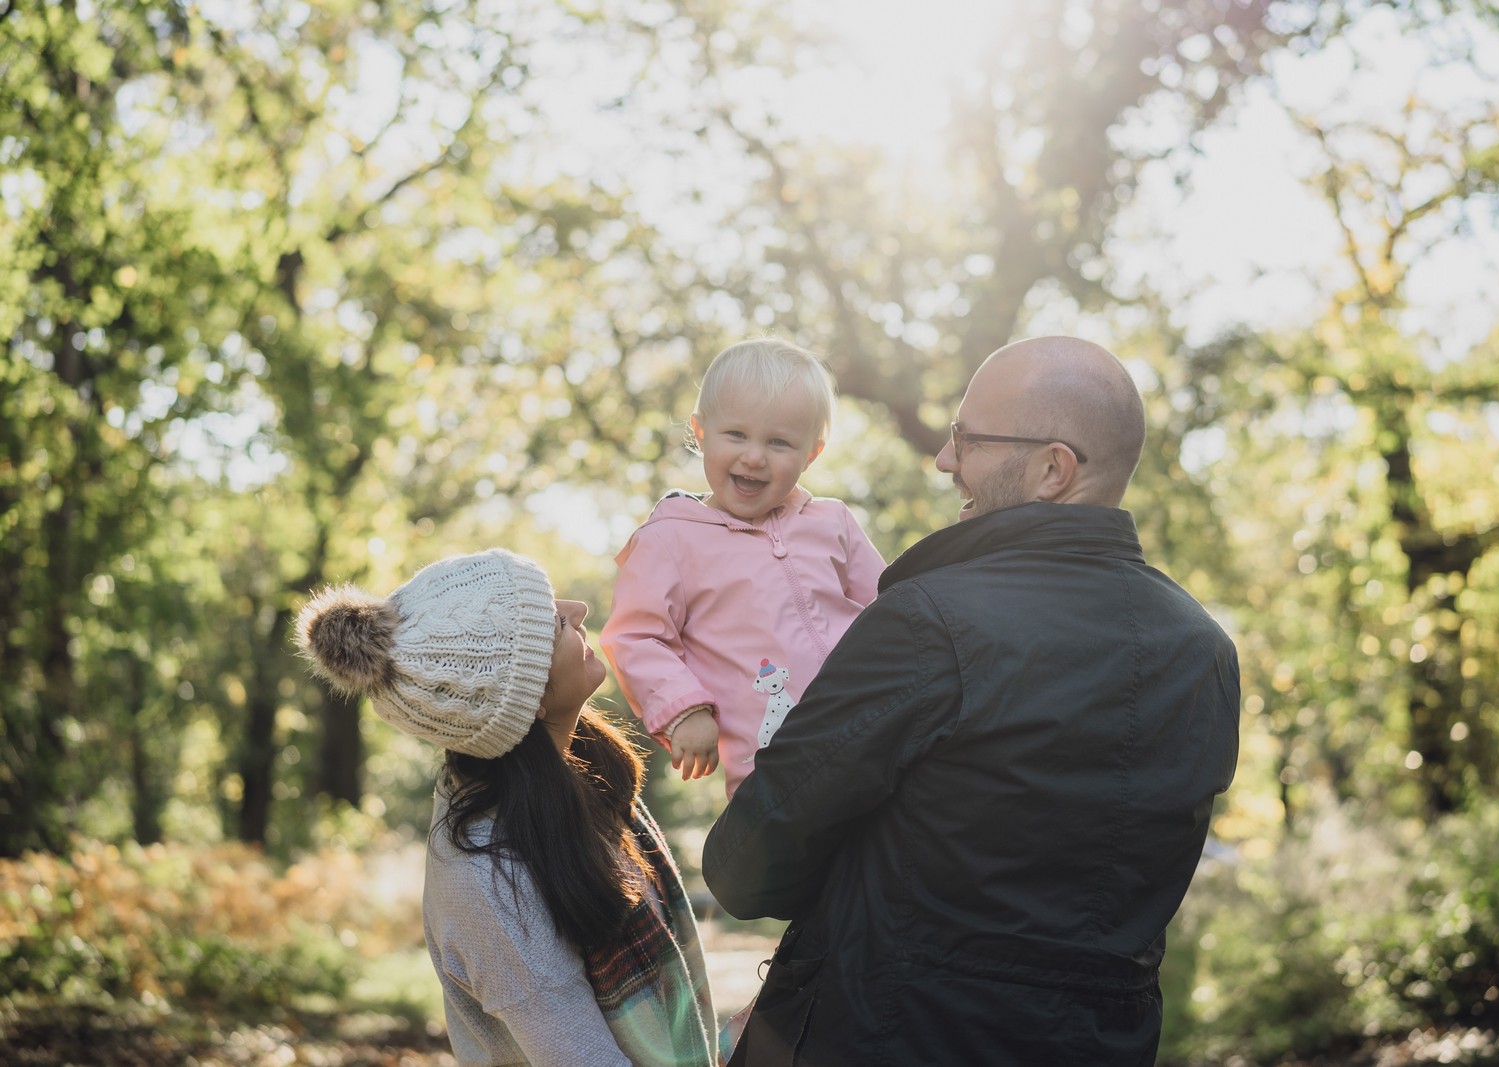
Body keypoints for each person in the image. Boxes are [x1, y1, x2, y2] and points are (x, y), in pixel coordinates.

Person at [702, 336, 1242, 1066]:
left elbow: (747, 867)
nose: (945, 460)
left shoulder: (927, 621)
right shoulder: (1203, 650)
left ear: (1055, 468)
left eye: (969, 439)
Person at [295, 548, 720, 1067]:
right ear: (527, 695)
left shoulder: (584, 780)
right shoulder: (484, 881)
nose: (579, 609)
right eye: (554, 621)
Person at [600, 339, 886, 798]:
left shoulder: (831, 521)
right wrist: (684, 710)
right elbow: (635, 636)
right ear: (700, 432)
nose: (754, 456)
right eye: (736, 435)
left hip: (873, 733)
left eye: (778, 442)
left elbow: (889, 608)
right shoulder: (670, 539)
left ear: (811, 453)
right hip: (775, 767)